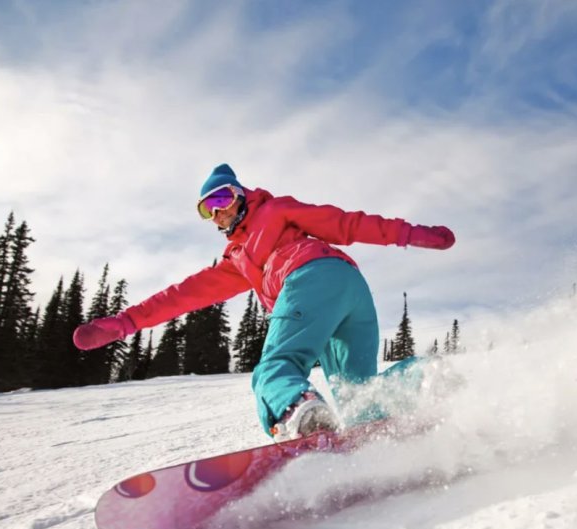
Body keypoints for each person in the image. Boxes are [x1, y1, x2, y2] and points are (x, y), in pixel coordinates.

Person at [74, 164, 455, 441]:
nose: (218, 211)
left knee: (275, 369)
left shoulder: (274, 211)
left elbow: (346, 223)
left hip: (311, 276)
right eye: (208, 209)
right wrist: (127, 322)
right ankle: (425, 379)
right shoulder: (236, 261)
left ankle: (298, 413)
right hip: (351, 289)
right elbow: (180, 296)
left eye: (222, 198)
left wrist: (408, 233)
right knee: (359, 397)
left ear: (241, 194)